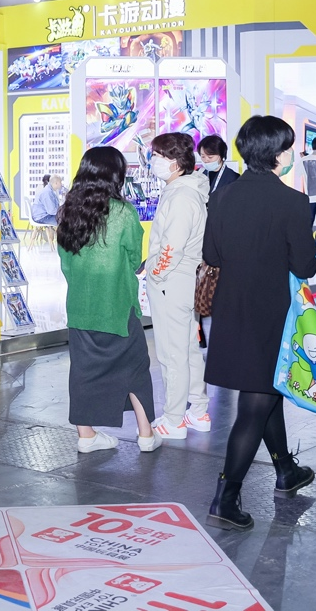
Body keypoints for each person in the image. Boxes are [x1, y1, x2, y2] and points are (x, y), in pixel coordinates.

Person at [202, 115, 316, 531]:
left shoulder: (222, 197)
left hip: (231, 312)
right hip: (271, 315)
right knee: (254, 406)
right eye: (289, 147)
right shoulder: (293, 203)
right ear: (277, 154)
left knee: (266, 393)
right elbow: (305, 266)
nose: (292, 154)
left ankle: (286, 470)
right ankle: (225, 498)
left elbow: (211, 255)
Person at [57, 146, 159, 454]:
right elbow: (134, 258)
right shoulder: (124, 212)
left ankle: (86, 436)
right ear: (116, 175)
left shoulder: (68, 210)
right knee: (136, 366)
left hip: (80, 305)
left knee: (82, 370)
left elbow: (65, 261)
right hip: (117, 304)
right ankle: (146, 435)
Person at [145, 133, 210, 440]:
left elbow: (172, 246)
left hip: (172, 281)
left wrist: (156, 274)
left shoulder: (181, 196)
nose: (153, 161)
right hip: (184, 279)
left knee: (172, 353)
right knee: (186, 348)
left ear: (174, 161)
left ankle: (174, 419)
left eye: (158, 156)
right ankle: (198, 410)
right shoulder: (186, 190)